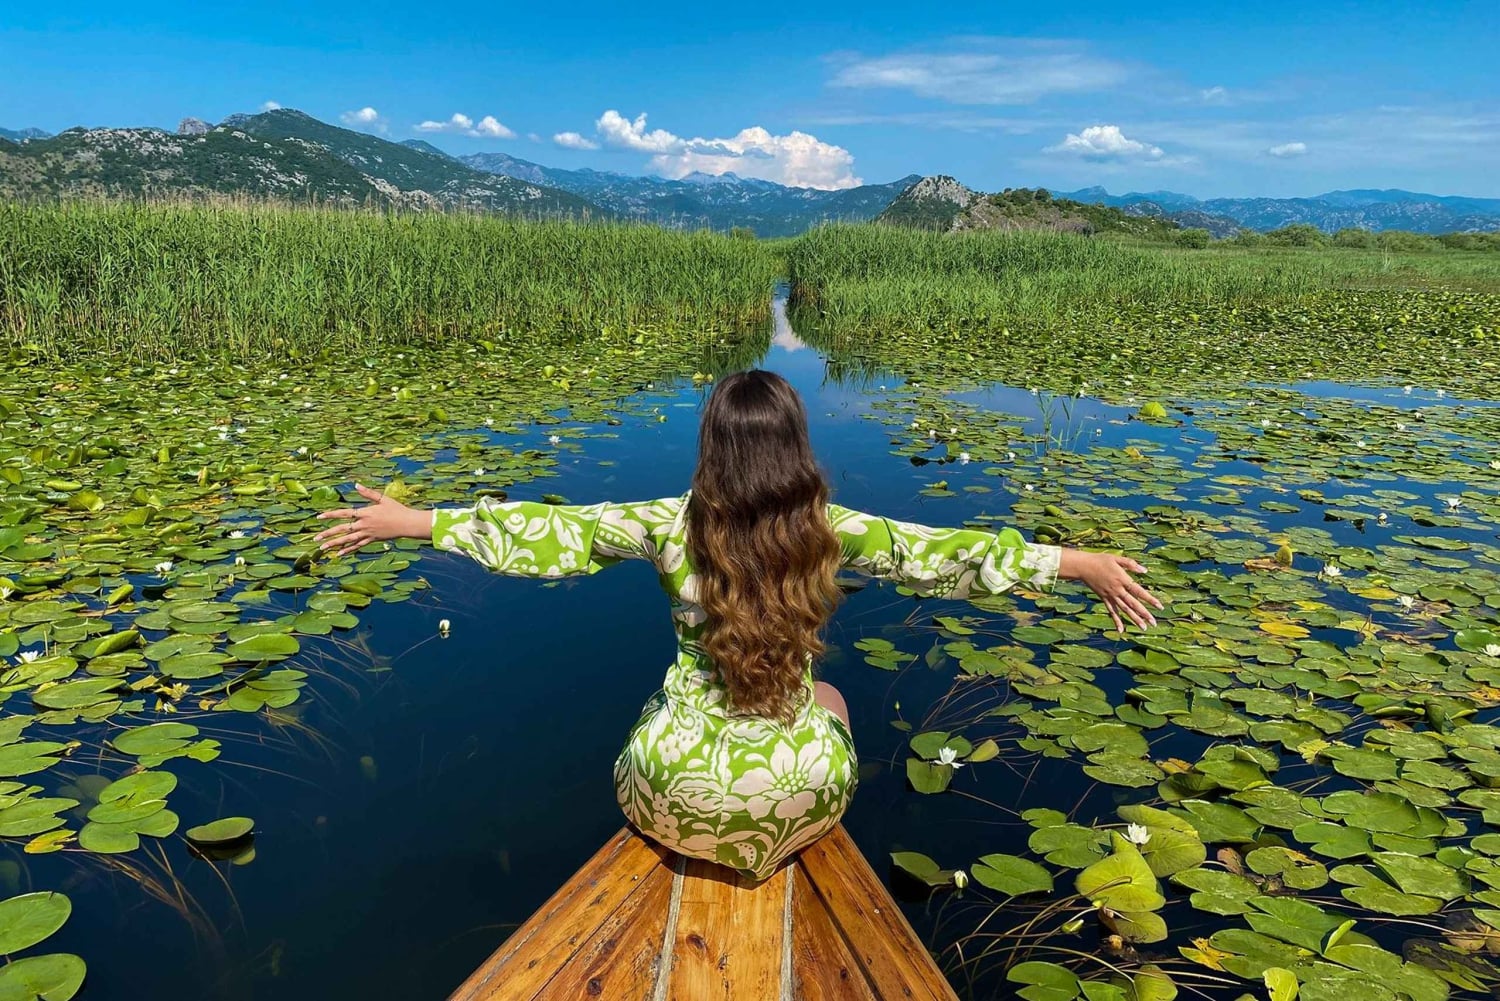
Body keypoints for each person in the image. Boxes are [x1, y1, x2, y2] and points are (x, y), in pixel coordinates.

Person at [314, 370, 1163, 880]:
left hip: (671, 793)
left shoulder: (667, 523)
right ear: (794, 448)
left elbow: (549, 531)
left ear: (712, 448)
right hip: (801, 799)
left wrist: (418, 520)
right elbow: (947, 553)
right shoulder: (831, 532)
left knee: (658, 713)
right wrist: (1074, 562)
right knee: (826, 691)